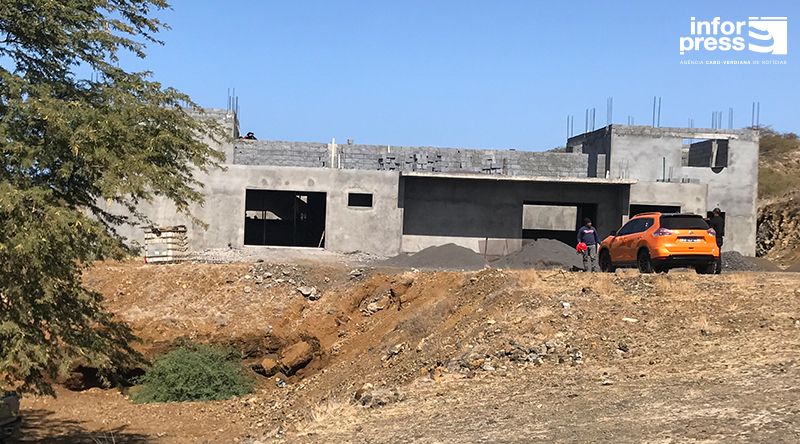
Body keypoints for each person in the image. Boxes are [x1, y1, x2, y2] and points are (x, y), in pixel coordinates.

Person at [708, 208, 725, 274]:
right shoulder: (721, 220)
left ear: (714, 212)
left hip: (714, 238)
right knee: (718, 254)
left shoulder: (713, 220)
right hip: (720, 238)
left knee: (713, 254)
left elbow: (710, 230)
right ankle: (718, 269)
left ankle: (712, 268)